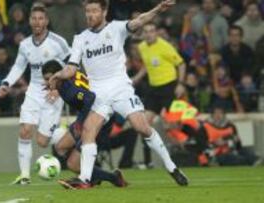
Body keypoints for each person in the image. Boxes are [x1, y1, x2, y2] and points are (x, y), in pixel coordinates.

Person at [49, 0, 188, 189]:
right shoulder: (81, 38)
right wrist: (59, 74)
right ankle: (84, 179)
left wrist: (157, 10)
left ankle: (172, 168)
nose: (89, 15)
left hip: (120, 89)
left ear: (104, 11)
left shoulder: (116, 28)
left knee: (142, 127)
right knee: (89, 130)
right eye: (87, 11)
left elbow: (139, 21)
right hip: (98, 94)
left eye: (94, 11)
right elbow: (72, 68)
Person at [0, 4, 70, 185]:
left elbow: (71, 66)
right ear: (29, 21)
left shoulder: (58, 42)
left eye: (41, 18)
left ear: (46, 21)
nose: (37, 22)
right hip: (34, 91)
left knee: (43, 142)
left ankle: (73, 133)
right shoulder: (25, 44)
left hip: (54, 92)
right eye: (34, 18)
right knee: (25, 130)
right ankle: (24, 176)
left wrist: (59, 89)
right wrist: (6, 83)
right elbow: (19, 67)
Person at [42, 60, 128, 188]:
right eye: (45, 79)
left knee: (72, 165)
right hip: (87, 117)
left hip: (99, 122)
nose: (47, 82)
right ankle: (93, 175)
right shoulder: (63, 84)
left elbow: (90, 97)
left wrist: (80, 123)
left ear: (58, 75)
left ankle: (108, 178)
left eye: (49, 79)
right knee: (60, 147)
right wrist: (56, 90)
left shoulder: (70, 88)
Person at [136, 23, 186, 167]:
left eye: (152, 31)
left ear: (156, 32)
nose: (149, 34)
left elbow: (181, 64)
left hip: (169, 88)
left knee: (171, 125)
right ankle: (148, 162)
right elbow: (147, 66)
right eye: (146, 31)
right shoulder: (142, 47)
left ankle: (182, 157)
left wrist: (181, 84)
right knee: (143, 125)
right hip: (154, 89)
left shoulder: (165, 47)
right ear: (143, 34)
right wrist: (136, 79)